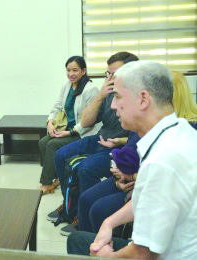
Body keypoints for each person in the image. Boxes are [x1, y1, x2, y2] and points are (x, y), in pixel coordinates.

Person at [68, 60, 197, 259]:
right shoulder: (178, 131)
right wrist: (109, 222)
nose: (112, 105)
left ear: (143, 99)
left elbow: (142, 254)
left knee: (82, 245)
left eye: (118, 96)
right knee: (77, 239)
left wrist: (104, 256)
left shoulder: (162, 160)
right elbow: (144, 199)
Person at [47, 52, 138, 226]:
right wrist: (101, 95)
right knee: (60, 155)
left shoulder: (136, 95)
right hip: (101, 137)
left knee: (86, 168)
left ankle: (83, 216)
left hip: (118, 146)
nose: (111, 78)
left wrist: (118, 142)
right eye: (108, 74)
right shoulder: (108, 92)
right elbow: (86, 121)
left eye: (115, 73)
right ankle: (70, 206)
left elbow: (138, 136)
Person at [38, 56, 101, 195]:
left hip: (83, 132)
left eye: (75, 70)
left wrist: (71, 132)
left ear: (83, 71)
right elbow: (57, 106)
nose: (71, 74)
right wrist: (49, 122)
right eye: (68, 70)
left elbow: (92, 120)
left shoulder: (91, 90)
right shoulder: (67, 86)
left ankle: (46, 183)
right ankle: (55, 177)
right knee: (43, 142)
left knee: (52, 144)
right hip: (67, 128)